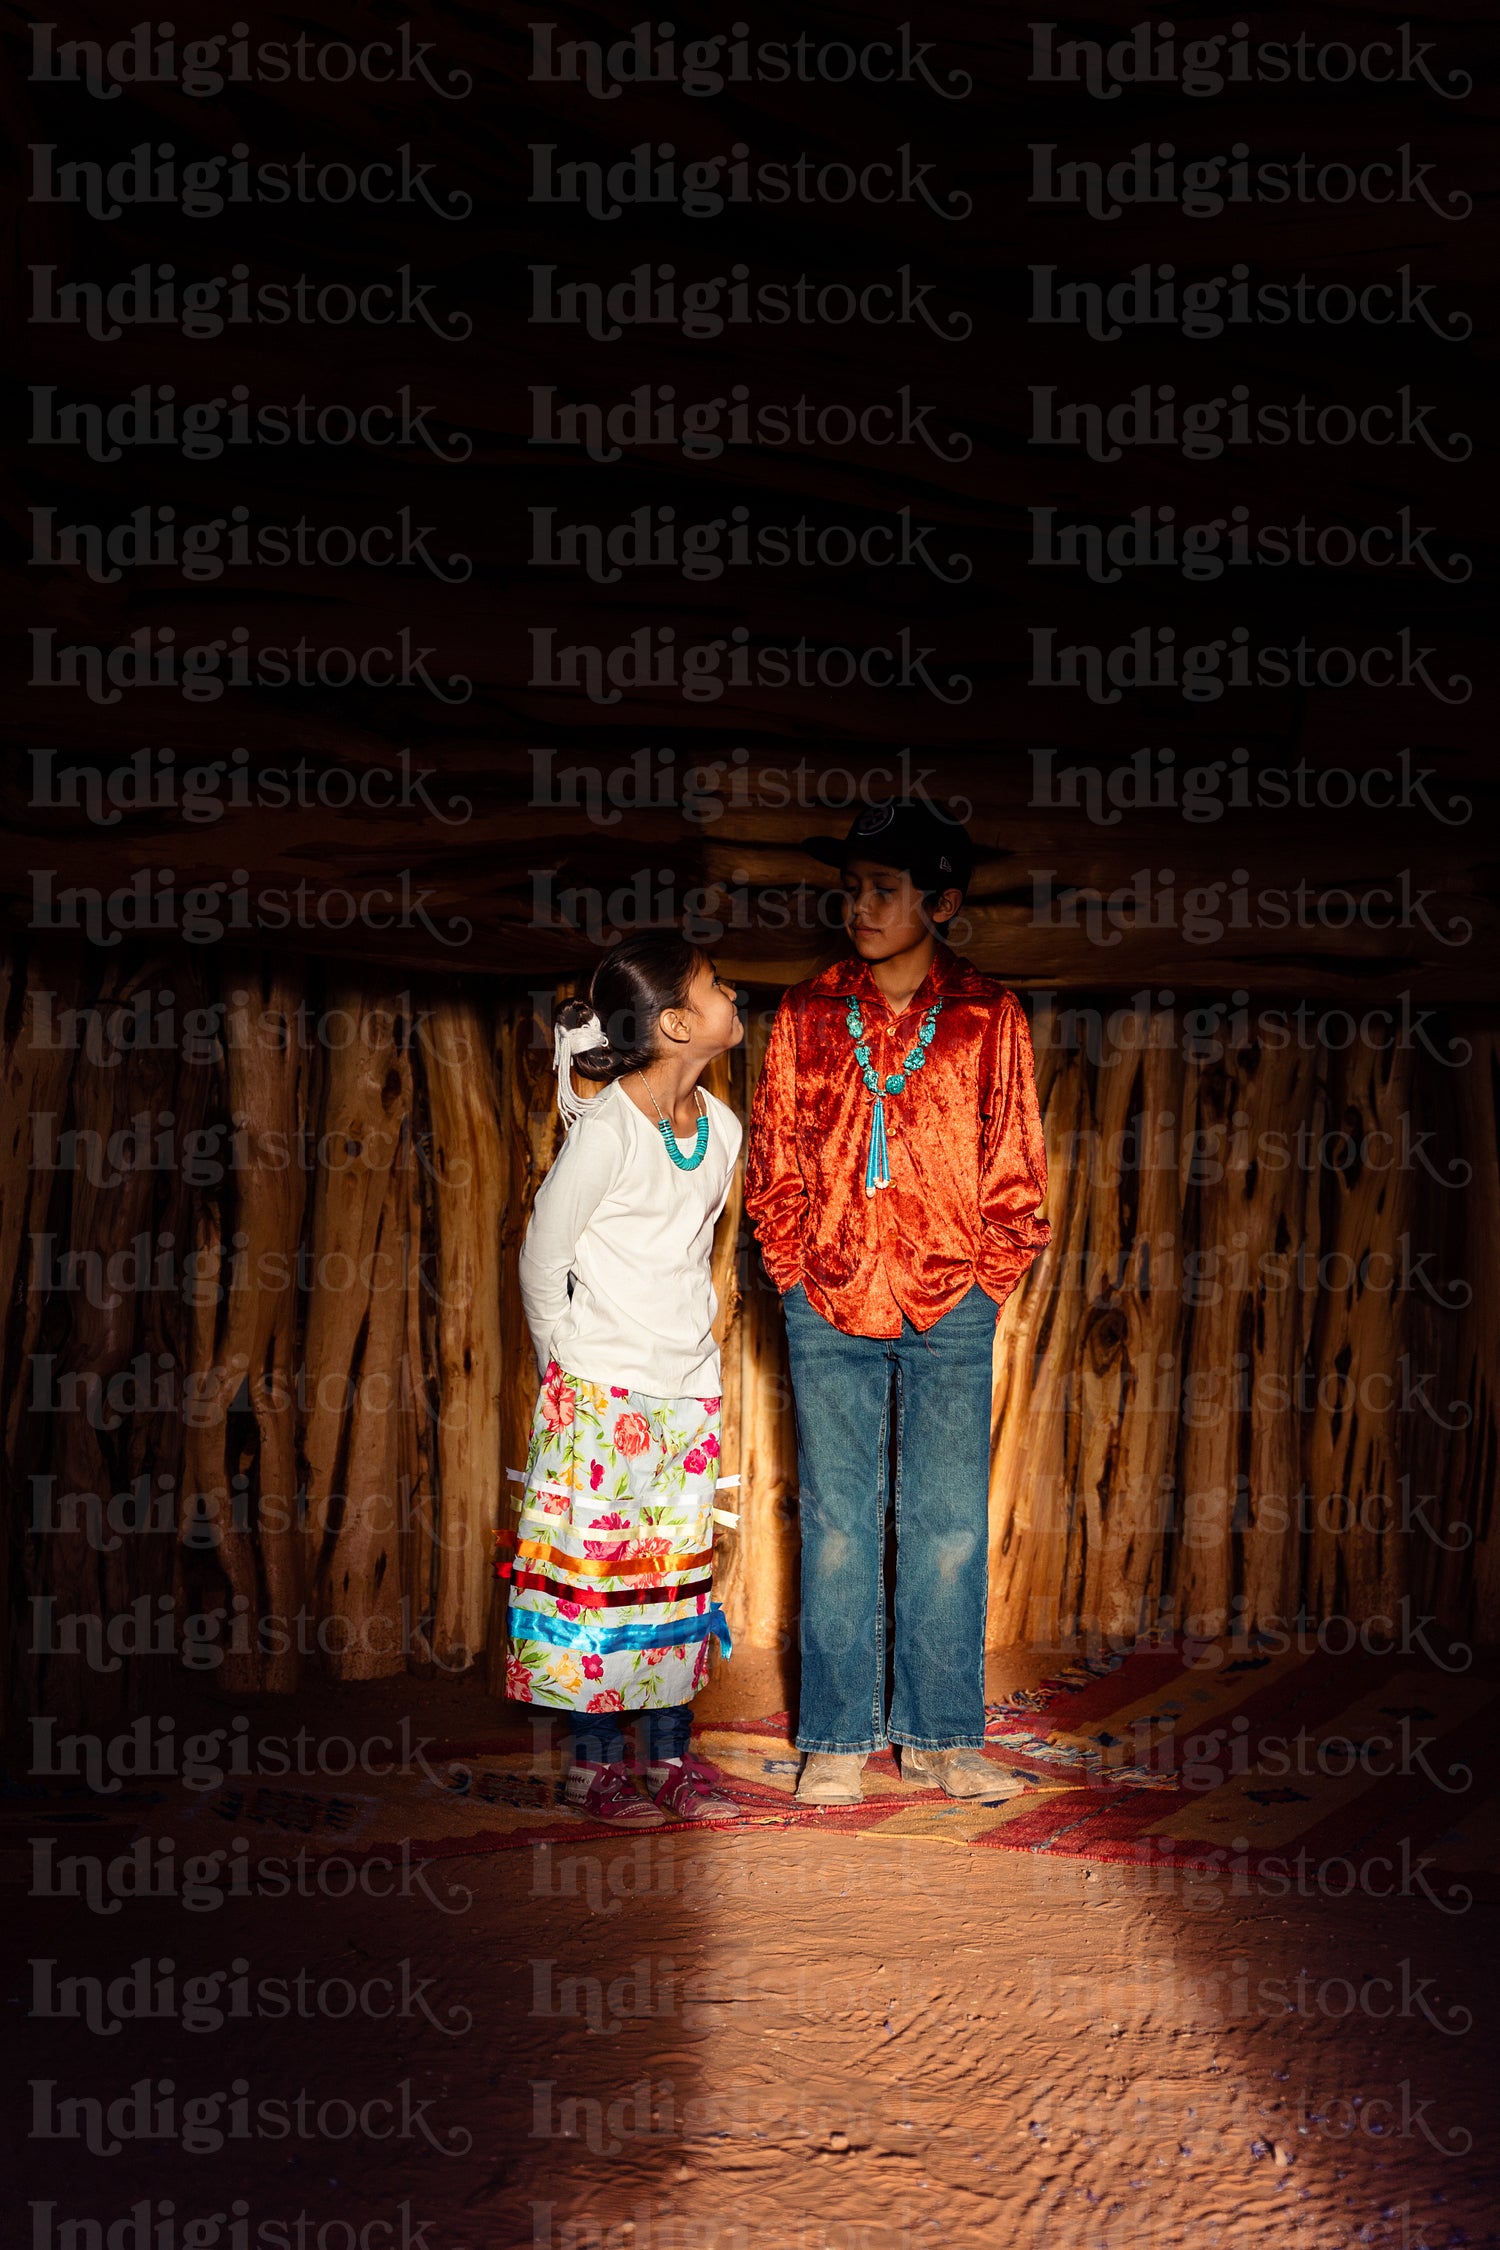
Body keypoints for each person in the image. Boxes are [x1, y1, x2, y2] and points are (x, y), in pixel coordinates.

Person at [744, 798, 1051, 1805]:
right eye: (852, 888)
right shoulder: (804, 1012)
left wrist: (989, 1274)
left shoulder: (988, 1017)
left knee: (949, 1519)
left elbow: (1016, 1161)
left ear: (942, 901)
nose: (861, 905)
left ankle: (940, 1739)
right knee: (837, 1518)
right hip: (827, 1296)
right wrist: (791, 1270)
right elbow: (775, 1157)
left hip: (950, 1300)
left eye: (884, 889)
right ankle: (835, 1738)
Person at [500, 932, 745, 1828]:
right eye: (717, 988)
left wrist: (687, 1365)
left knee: (673, 1580)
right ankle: (594, 1772)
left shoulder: (720, 1130)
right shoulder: (606, 1134)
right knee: (601, 1582)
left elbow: (691, 1255)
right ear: (679, 1024)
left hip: (687, 1395)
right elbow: (542, 1259)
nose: (732, 997)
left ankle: (671, 1760)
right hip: (599, 1396)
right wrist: (564, 1367)